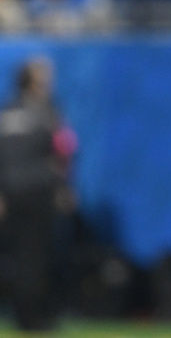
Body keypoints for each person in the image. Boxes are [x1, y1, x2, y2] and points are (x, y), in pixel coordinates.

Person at [0, 58, 77, 330]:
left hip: (11, 194)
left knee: (18, 257)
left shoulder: (7, 112)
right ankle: (36, 319)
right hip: (38, 192)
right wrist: (65, 188)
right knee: (37, 257)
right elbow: (64, 152)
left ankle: (22, 315)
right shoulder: (47, 113)